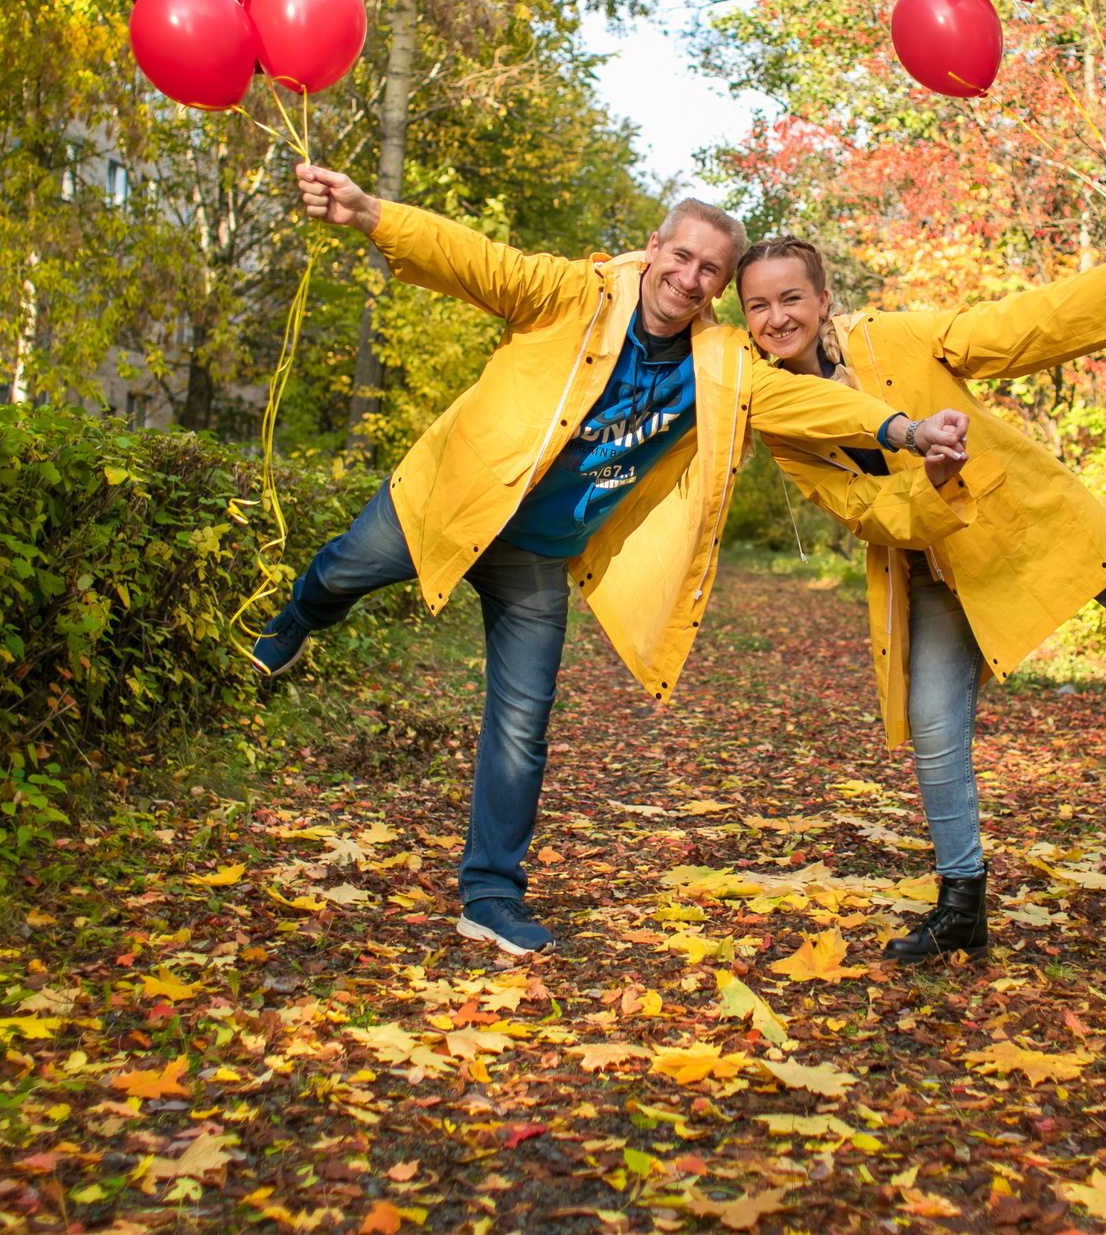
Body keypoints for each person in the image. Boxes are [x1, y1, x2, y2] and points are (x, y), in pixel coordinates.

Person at [259, 166, 973, 958]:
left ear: (717, 287)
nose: (688, 276)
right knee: (338, 572)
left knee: (522, 724)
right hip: (452, 501)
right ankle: (297, 616)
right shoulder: (576, 295)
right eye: (681, 255)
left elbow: (812, 404)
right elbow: (477, 260)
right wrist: (373, 216)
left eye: (709, 269)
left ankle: (491, 894)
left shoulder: (722, 363)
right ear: (653, 247)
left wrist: (903, 430)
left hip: (537, 553)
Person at [735, 234, 1106, 963]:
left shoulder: (892, 335)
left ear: (824, 299)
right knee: (933, 721)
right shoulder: (777, 418)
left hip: (1021, 516)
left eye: (791, 297)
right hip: (929, 561)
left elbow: (1014, 326)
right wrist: (925, 484)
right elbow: (861, 509)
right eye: (759, 304)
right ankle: (962, 906)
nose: (777, 316)